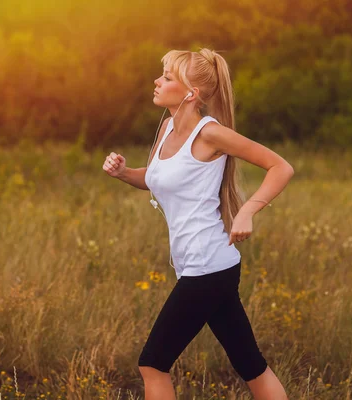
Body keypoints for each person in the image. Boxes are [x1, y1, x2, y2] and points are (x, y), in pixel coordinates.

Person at [102, 48, 293, 400]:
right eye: (162, 73)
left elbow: (280, 166)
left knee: (152, 364)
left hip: (209, 266)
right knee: (250, 364)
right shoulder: (167, 128)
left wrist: (248, 210)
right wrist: (124, 173)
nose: (157, 81)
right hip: (198, 265)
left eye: (168, 77)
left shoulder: (211, 134)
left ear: (190, 93)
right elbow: (159, 179)